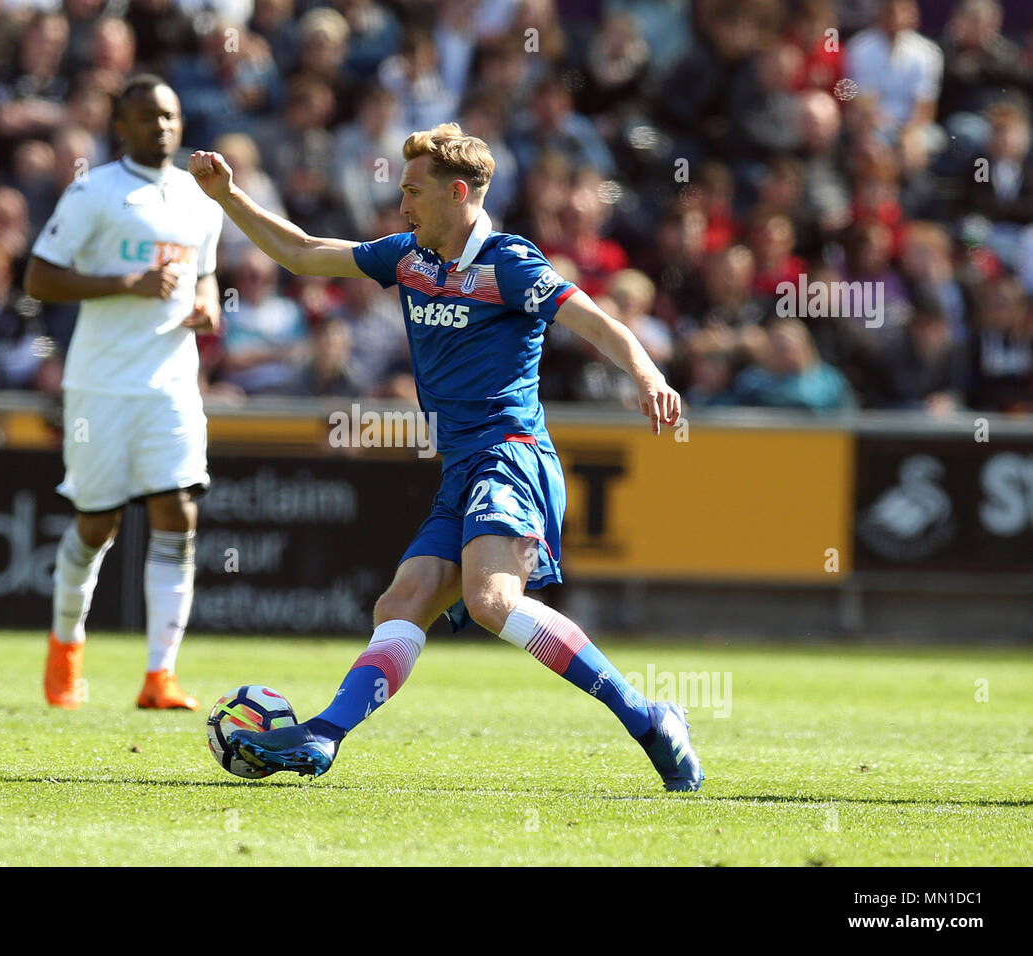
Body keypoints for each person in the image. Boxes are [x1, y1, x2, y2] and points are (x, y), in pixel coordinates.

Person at [188, 122, 704, 791]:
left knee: (492, 600)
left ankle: (649, 719)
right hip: (461, 468)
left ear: (458, 194)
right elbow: (306, 252)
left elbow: (597, 322)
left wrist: (648, 377)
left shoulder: (511, 264)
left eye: (413, 192)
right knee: (399, 605)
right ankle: (325, 734)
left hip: (512, 457)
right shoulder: (410, 258)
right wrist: (228, 197)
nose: (402, 205)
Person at [23, 75, 222, 712]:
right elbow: (39, 278)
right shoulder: (94, 191)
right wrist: (123, 283)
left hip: (170, 384)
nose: (160, 126)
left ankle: (159, 675)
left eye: (169, 114)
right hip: (101, 386)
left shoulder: (200, 198)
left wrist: (208, 310)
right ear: (122, 127)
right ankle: (65, 650)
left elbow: (208, 277)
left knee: (178, 514)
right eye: (146, 116)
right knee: (96, 522)